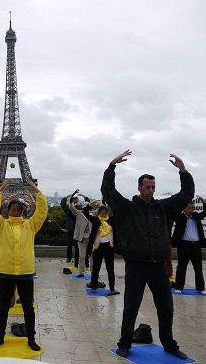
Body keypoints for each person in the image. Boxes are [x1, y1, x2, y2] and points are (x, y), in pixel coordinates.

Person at [101, 150, 193, 359]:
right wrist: (111, 166)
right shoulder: (127, 208)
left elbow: (186, 195)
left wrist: (183, 171)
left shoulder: (165, 207)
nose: (151, 190)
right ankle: (124, 343)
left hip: (158, 265)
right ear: (139, 188)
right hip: (136, 265)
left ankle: (169, 344)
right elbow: (108, 191)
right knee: (130, 307)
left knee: (166, 308)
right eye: (147, 187)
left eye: (153, 187)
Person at [0, 179, 48, 351]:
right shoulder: (1, 225)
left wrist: (37, 190)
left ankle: (31, 338)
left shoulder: (30, 225)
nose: (15, 211)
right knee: (4, 306)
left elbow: (42, 212)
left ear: (23, 211)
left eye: (18, 209)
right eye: (12, 209)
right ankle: (0, 336)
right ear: (7, 211)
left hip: (25, 273)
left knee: (28, 307)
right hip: (6, 272)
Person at [171, 198, 206, 294]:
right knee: (182, 267)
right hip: (183, 245)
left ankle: (200, 288)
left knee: (198, 268)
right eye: (189, 208)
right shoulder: (180, 218)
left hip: (196, 246)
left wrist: (204, 203)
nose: (191, 210)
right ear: (184, 209)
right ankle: (179, 286)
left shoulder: (196, 216)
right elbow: (173, 213)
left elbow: (205, 212)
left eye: (192, 208)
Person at [85, 204, 119, 296]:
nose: (103, 215)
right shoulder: (95, 220)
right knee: (96, 268)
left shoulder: (111, 220)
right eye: (102, 213)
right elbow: (86, 214)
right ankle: (94, 287)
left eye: (105, 213)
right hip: (98, 247)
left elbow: (118, 215)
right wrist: (89, 205)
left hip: (108, 247)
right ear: (99, 213)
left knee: (110, 269)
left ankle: (112, 288)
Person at [61, 193, 90, 267]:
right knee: (70, 244)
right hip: (72, 229)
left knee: (81, 246)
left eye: (76, 201)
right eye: (74, 201)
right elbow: (63, 204)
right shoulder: (70, 210)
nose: (75, 202)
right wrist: (67, 196)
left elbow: (88, 205)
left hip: (80, 230)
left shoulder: (81, 209)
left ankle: (83, 261)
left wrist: (84, 196)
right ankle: (69, 258)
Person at [69, 190, 91, 278]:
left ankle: (94, 273)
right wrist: (74, 194)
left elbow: (91, 203)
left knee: (92, 257)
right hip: (81, 238)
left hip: (91, 238)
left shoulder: (92, 215)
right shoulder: (79, 214)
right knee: (82, 256)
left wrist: (84, 196)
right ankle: (81, 272)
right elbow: (71, 206)